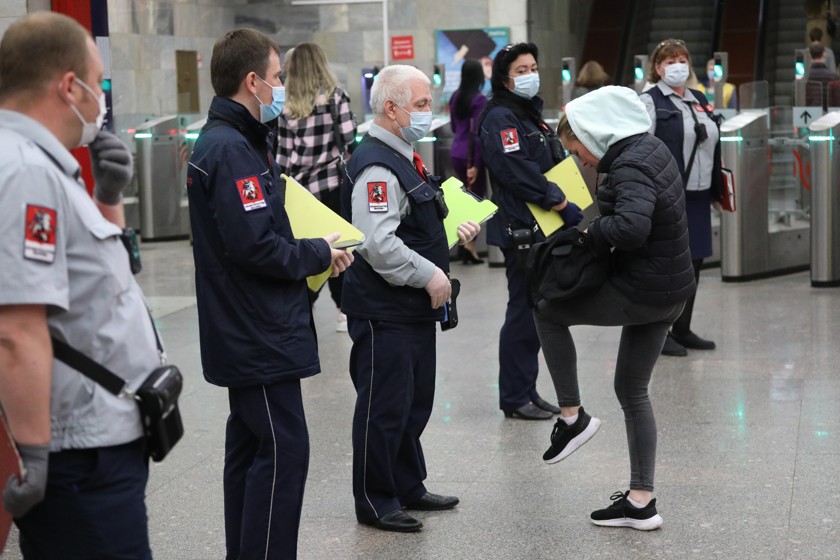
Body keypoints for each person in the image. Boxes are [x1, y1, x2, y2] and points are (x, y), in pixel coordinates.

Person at [186, 29, 353, 559]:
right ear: (252, 81)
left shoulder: (232, 142)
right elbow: (256, 246)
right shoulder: (231, 150)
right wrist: (317, 255)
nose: (282, 88)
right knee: (284, 449)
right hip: (255, 329)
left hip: (250, 324)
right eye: (278, 78)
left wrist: (311, 249)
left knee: (251, 447)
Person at [0, 12, 161, 558]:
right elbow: (16, 327)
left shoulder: (48, 166)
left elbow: (90, 280)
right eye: (97, 81)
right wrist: (36, 453)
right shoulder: (22, 170)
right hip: (78, 455)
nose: (101, 97)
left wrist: (108, 198)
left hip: (105, 437)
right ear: (69, 86)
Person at [535, 85, 695, 530]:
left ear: (595, 132)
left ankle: (572, 416)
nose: (580, 159)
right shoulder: (650, 145)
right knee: (631, 389)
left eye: (577, 148)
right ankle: (641, 502)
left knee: (547, 309)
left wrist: (591, 233)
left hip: (644, 291)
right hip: (672, 291)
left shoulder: (627, 165)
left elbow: (630, 228)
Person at [340, 64, 480, 533]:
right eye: (421, 105)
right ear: (392, 108)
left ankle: (405, 484)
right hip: (385, 310)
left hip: (411, 306)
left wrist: (450, 237)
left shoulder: (404, 156)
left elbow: (409, 228)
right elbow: (376, 244)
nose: (429, 113)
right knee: (384, 405)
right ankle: (375, 499)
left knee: (413, 401)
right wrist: (429, 275)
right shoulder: (377, 164)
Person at [478, 42, 583, 420]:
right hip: (521, 227)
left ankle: (527, 389)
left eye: (533, 67)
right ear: (504, 79)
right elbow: (516, 171)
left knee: (536, 309)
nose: (530, 74)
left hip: (541, 226)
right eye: (521, 70)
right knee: (523, 310)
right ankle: (514, 396)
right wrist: (558, 201)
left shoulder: (527, 115)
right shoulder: (500, 118)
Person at [640, 38, 722, 357]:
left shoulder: (699, 98)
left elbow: (712, 141)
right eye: (670, 60)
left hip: (699, 194)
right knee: (668, 264)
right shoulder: (649, 101)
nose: (678, 65)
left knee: (694, 261)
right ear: (658, 68)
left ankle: (683, 327)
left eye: (682, 59)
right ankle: (659, 333)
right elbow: (642, 147)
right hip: (669, 194)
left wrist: (717, 187)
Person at [277, 42, 357, 332]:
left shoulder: (285, 103)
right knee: (339, 247)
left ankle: (303, 304)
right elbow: (348, 138)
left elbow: (282, 156)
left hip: (300, 191)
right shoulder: (337, 96)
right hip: (332, 184)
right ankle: (344, 310)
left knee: (304, 247)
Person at [448, 58, 488, 264]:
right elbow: (478, 134)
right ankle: (469, 247)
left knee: (464, 201)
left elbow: (455, 127)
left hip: (456, 152)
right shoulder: (480, 99)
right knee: (476, 203)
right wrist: (476, 164)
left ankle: (463, 244)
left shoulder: (455, 97)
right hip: (472, 156)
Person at [806, 42, 838, 110]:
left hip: (808, 117)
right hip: (829, 117)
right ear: (824, 54)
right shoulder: (833, 77)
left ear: (810, 55)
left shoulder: (804, 79)